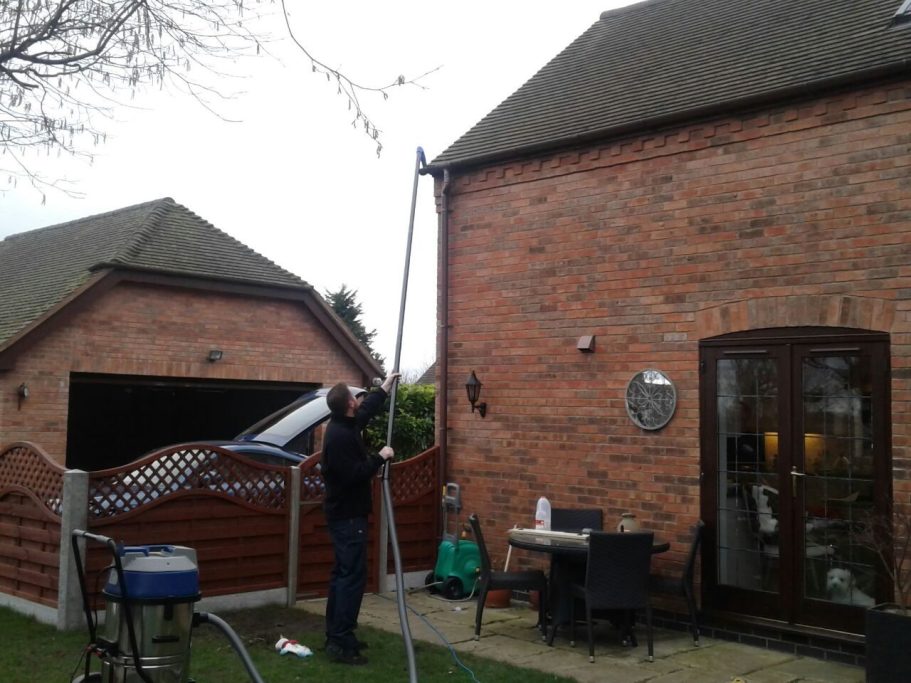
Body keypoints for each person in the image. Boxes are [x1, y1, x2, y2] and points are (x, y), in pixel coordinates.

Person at [321, 373, 399, 665]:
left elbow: (366, 413)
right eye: (356, 398)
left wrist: (384, 388)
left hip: (348, 516)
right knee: (350, 579)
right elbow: (354, 474)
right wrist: (380, 457)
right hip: (347, 517)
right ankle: (339, 641)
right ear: (349, 403)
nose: (359, 401)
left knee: (344, 576)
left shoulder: (344, 424)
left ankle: (340, 634)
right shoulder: (339, 437)